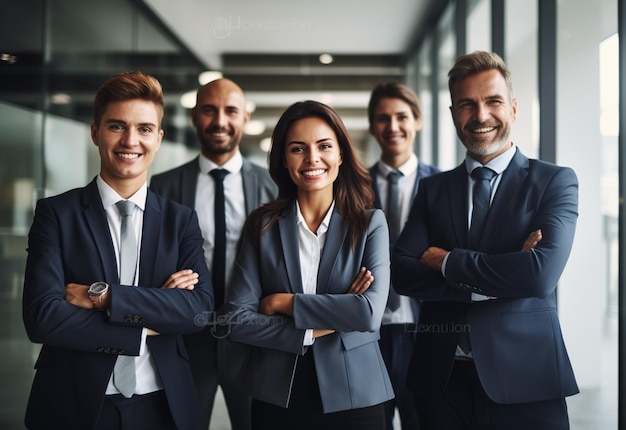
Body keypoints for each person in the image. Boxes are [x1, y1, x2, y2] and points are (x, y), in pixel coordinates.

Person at [392, 50, 579, 430]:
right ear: (453, 114)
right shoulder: (433, 189)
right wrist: (495, 279)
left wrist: (445, 261)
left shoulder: (554, 182)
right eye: (467, 104)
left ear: (512, 107)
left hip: (526, 378)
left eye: (492, 101)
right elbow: (402, 273)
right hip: (441, 382)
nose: (480, 116)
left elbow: (538, 276)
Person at [22, 71, 214, 430]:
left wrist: (105, 297)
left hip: (164, 405)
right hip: (74, 403)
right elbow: (43, 317)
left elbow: (198, 311)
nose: (131, 140)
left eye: (144, 129)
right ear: (95, 132)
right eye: (116, 126)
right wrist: (150, 321)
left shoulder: (181, 220)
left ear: (158, 138)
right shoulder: (56, 214)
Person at [223, 100, 394, 430]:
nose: (312, 158)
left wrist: (281, 303)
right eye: (298, 148)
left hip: (356, 391)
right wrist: (329, 317)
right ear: (284, 161)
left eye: (324, 146)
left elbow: (369, 313)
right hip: (276, 392)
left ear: (341, 154)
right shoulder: (262, 225)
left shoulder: (371, 223)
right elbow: (237, 320)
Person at [150, 78, 277, 430]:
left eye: (230, 111)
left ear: (245, 117)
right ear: (194, 117)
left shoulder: (273, 187)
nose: (219, 121)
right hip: (188, 337)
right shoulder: (164, 187)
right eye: (209, 110)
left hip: (253, 339)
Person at [367, 81, 439, 430]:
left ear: (418, 120)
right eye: (383, 118)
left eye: (401, 117)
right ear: (372, 125)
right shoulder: (352, 187)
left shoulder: (443, 186)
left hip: (425, 330)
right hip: (368, 334)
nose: (392, 127)